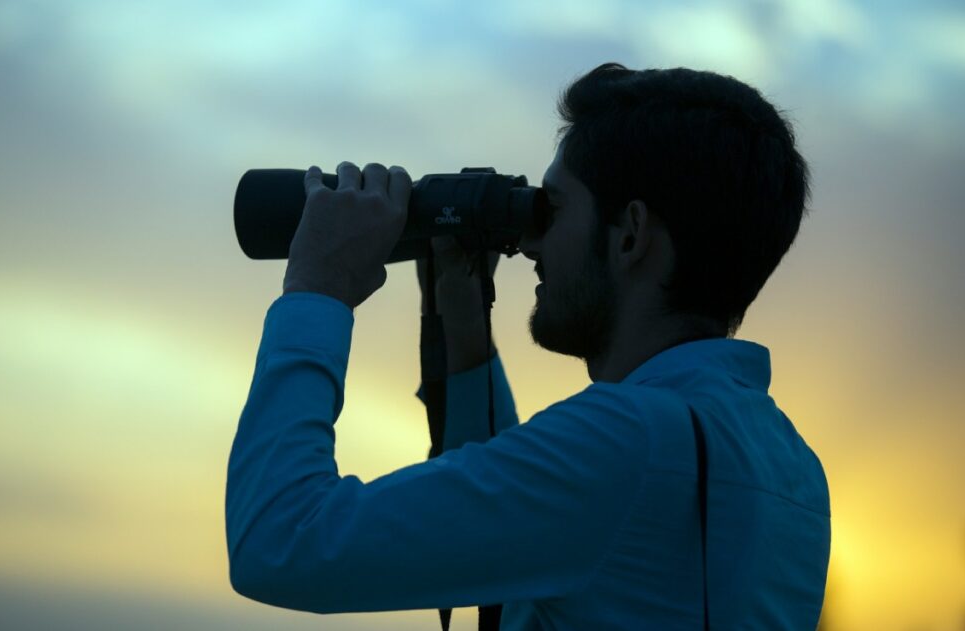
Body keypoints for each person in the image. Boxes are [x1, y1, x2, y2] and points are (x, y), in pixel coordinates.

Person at [225, 63, 830, 629]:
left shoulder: (627, 439)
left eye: (553, 208)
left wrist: (318, 289)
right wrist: (466, 343)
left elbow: (280, 541)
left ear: (631, 235)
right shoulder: (792, 467)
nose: (531, 246)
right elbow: (530, 539)